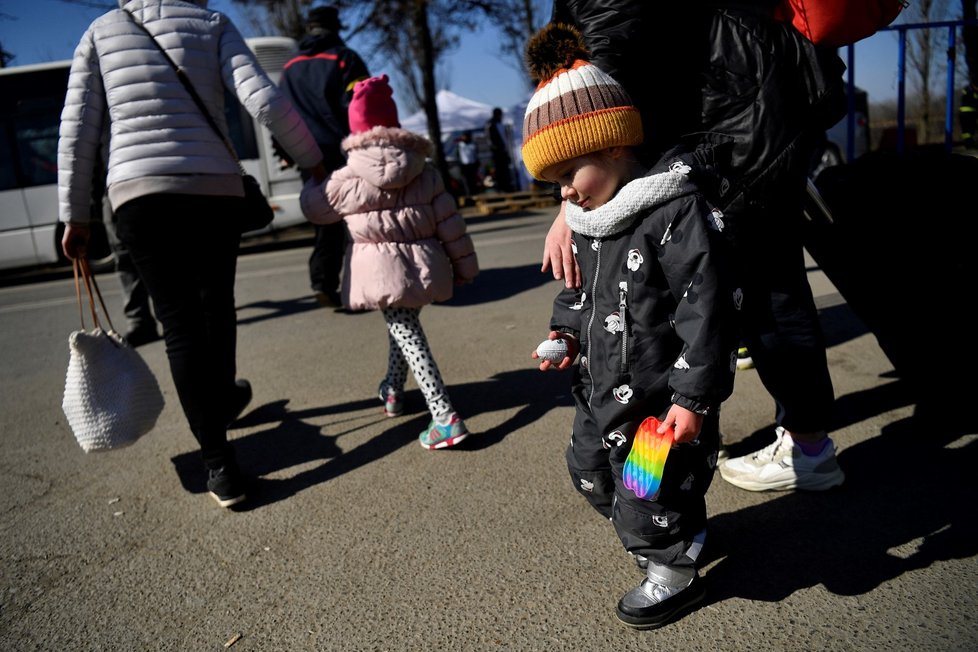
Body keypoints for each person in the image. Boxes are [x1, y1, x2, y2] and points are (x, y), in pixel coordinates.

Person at [543, 2, 847, 493]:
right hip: (754, 102)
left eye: (563, 176)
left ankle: (686, 485)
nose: (563, 190)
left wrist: (572, 209)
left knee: (741, 292)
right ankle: (803, 445)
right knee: (763, 284)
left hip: (727, 120)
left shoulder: (642, 177)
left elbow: (610, 47)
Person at [58, 0, 326, 508]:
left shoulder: (102, 30)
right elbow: (263, 100)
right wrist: (313, 160)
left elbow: (78, 132)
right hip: (213, 191)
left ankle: (219, 464)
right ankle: (221, 399)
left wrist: (77, 215)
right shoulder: (211, 24)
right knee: (216, 307)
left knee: (179, 325)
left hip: (139, 194)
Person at [524, 24, 739, 629]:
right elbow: (579, 291)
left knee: (645, 489)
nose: (565, 191)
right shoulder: (589, 217)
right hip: (599, 390)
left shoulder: (673, 210)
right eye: (555, 181)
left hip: (656, 396)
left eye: (571, 172)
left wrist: (695, 395)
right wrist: (564, 336)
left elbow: (708, 304)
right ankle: (677, 529)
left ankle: (671, 568)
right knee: (590, 472)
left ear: (614, 145)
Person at [300, 75, 479, 450]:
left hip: (381, 272)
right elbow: (450, 222)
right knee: (403, 324)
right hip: (422, 267)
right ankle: (393, 389)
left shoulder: (346, 178)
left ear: (356, 127)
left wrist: (312, 179)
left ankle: (444, 415)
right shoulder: (424, 170)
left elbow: (316, 211)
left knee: (407, 332)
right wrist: (464, 267)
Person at [278, 5, 370, 309]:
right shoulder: (345, 58)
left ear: (308, 29)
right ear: (336, 27)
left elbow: (280, 112)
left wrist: (285, 153)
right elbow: (361, 103)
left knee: (325, 220)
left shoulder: (289, 67)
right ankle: (361, 286)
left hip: (308, 154)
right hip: (344, 149)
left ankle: (323, 282)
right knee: (358, 219)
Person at [484, 107, 515, 192]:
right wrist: (495, 148)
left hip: (503, 150)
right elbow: (489, 139)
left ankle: (507, 187)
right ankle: (500, 188)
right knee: (498, 170)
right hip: (497, 152)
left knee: (505, 169)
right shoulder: (490, 124)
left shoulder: (501, 124)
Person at [456, 131, 480, 196]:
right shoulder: (460, 145)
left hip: (472, 165)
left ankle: (475, 193)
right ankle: (468, 194)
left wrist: (477, 163)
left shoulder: (473, 144)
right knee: (466, 181)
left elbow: (476, 154)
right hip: (464, 166)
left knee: (473, 180)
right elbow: (458, 155)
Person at [961, 81, 978, 149]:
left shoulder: (966, 89)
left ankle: (968, 144)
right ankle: (970, 144)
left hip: (963, 113)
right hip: (971, 113)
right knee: (970, 130)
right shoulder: (973, 92)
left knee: (966, 131)